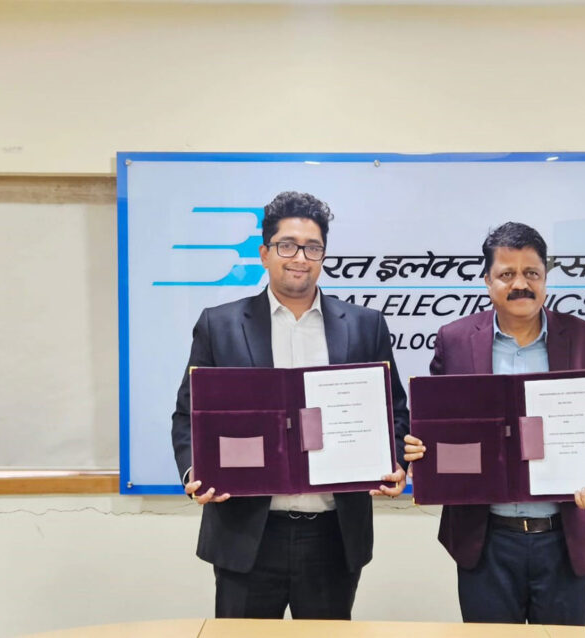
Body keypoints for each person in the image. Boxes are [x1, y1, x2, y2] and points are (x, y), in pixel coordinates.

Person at [171, 191, 409, 620]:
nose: (300, 257)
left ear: (323, 256)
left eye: (312, 247)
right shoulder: (220, 325)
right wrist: (195, 471)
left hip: (333, 536)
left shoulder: (364, 326)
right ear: (264, 254)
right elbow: (189, 415)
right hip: (246, 533)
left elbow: (393, 411)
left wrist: (394, 463)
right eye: (287, 246)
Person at [404, 221, 585, 625]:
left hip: (564, 539)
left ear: (545, 277)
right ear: (488, 281)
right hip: (485, 540)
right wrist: (421, 449)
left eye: (531, 273)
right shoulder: (454, 339)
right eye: (507, 274)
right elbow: (438, 425)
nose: (521, 284)